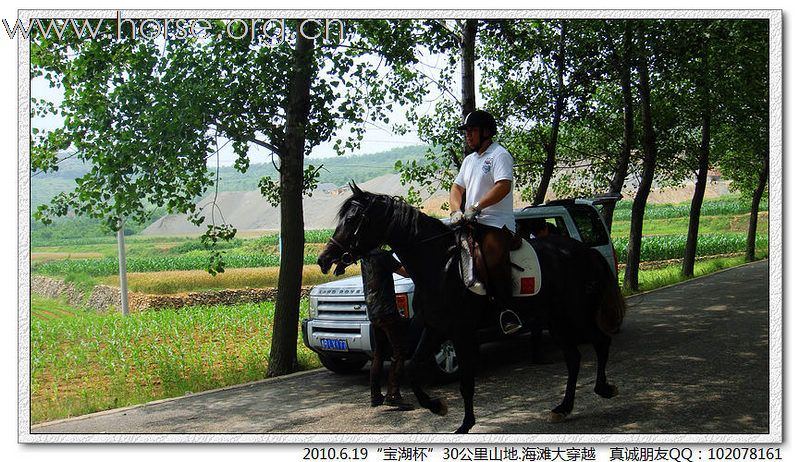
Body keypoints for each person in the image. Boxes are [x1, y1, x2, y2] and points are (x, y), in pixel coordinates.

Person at [449, 109, 522, 335]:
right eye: (467, 132)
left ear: (486, 132)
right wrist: (455, 211)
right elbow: (457, 188)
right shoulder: (469, 160)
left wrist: (476, 206)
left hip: (496, 223)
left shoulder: (499, 155)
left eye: (472, 131)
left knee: (489, 257)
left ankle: (505, 310)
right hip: (471, 222)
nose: (468, 136)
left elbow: (503, 186)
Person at [360, 248, 413, 409]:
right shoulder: (383, 256)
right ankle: (393, 394)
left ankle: (375, 396)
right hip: (388, 311)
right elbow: (406, 273)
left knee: (379, 353)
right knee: (399, 351)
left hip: (373, 311)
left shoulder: (365, 256)